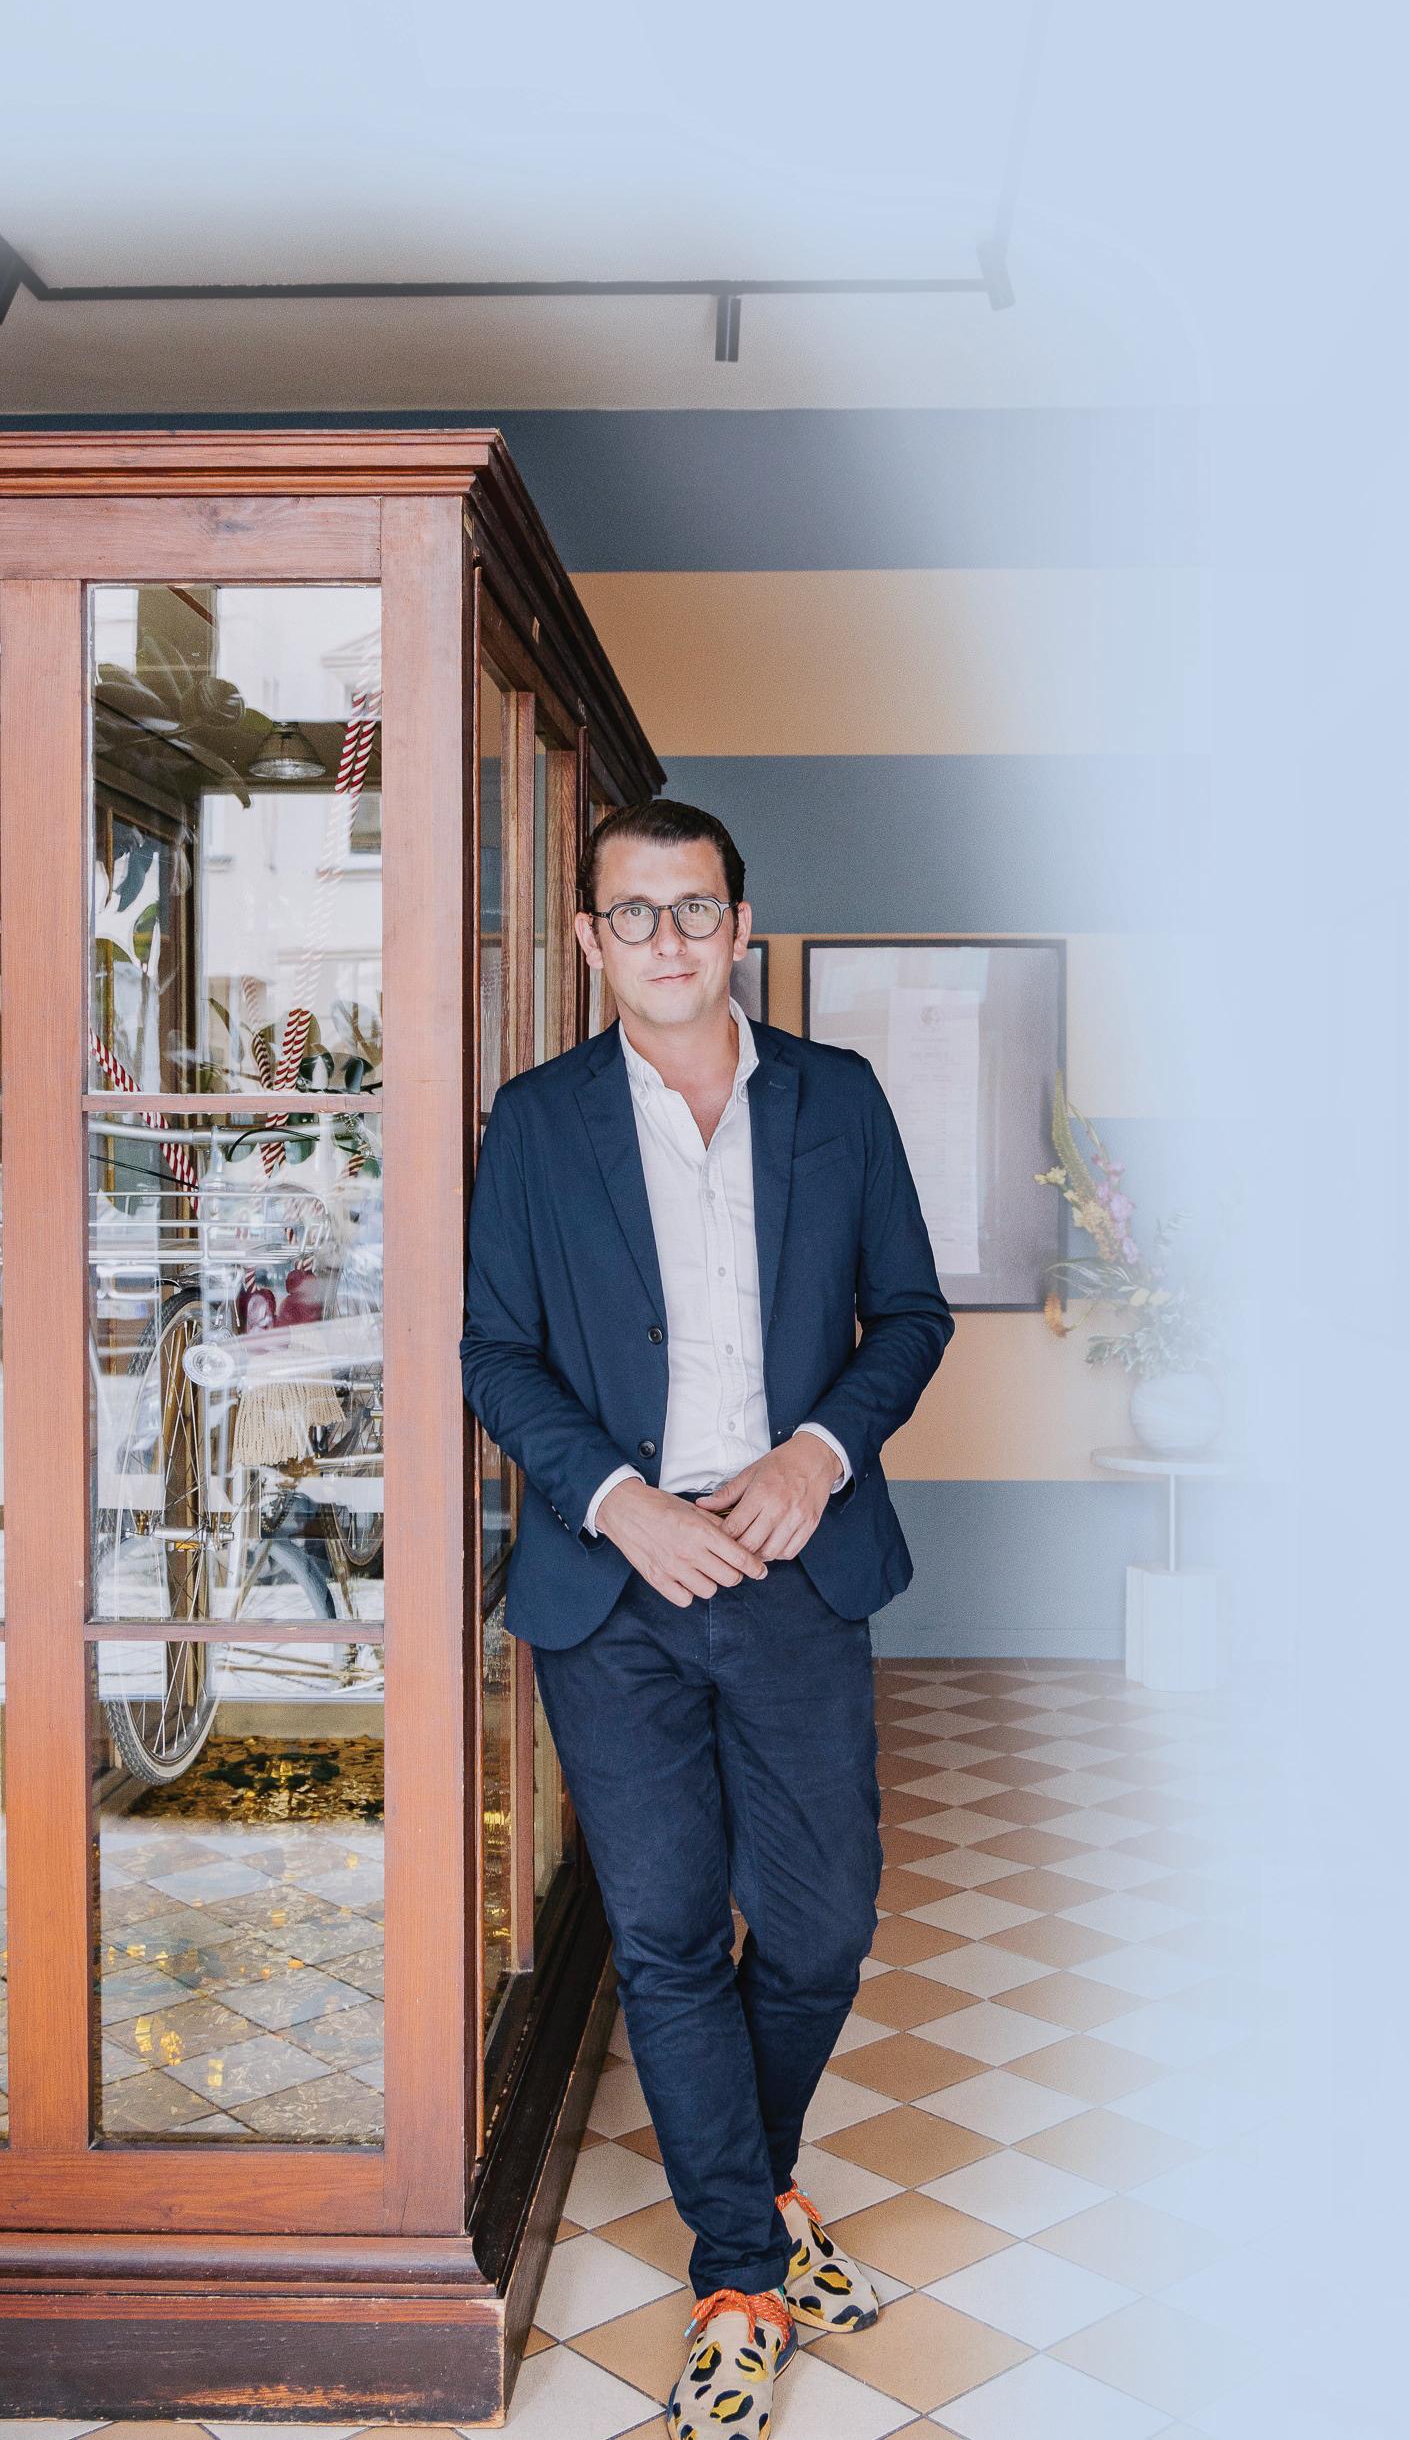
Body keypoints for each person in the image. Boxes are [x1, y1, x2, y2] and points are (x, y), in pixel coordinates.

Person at [460, 798, 954, 2437]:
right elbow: (492, 1350)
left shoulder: (838, 1097)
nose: (665, 938)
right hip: (613, 1582)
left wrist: (819, 1452)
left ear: (740, 926)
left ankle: (753, 2186)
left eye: (693, 908)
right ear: (589, 938)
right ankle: (741, 2267)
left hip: (792, 1562)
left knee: (818, 1926)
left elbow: (910, 1313)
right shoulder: (536, 1122)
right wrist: (619, 1498)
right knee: (667, 1935)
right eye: (633, 911)